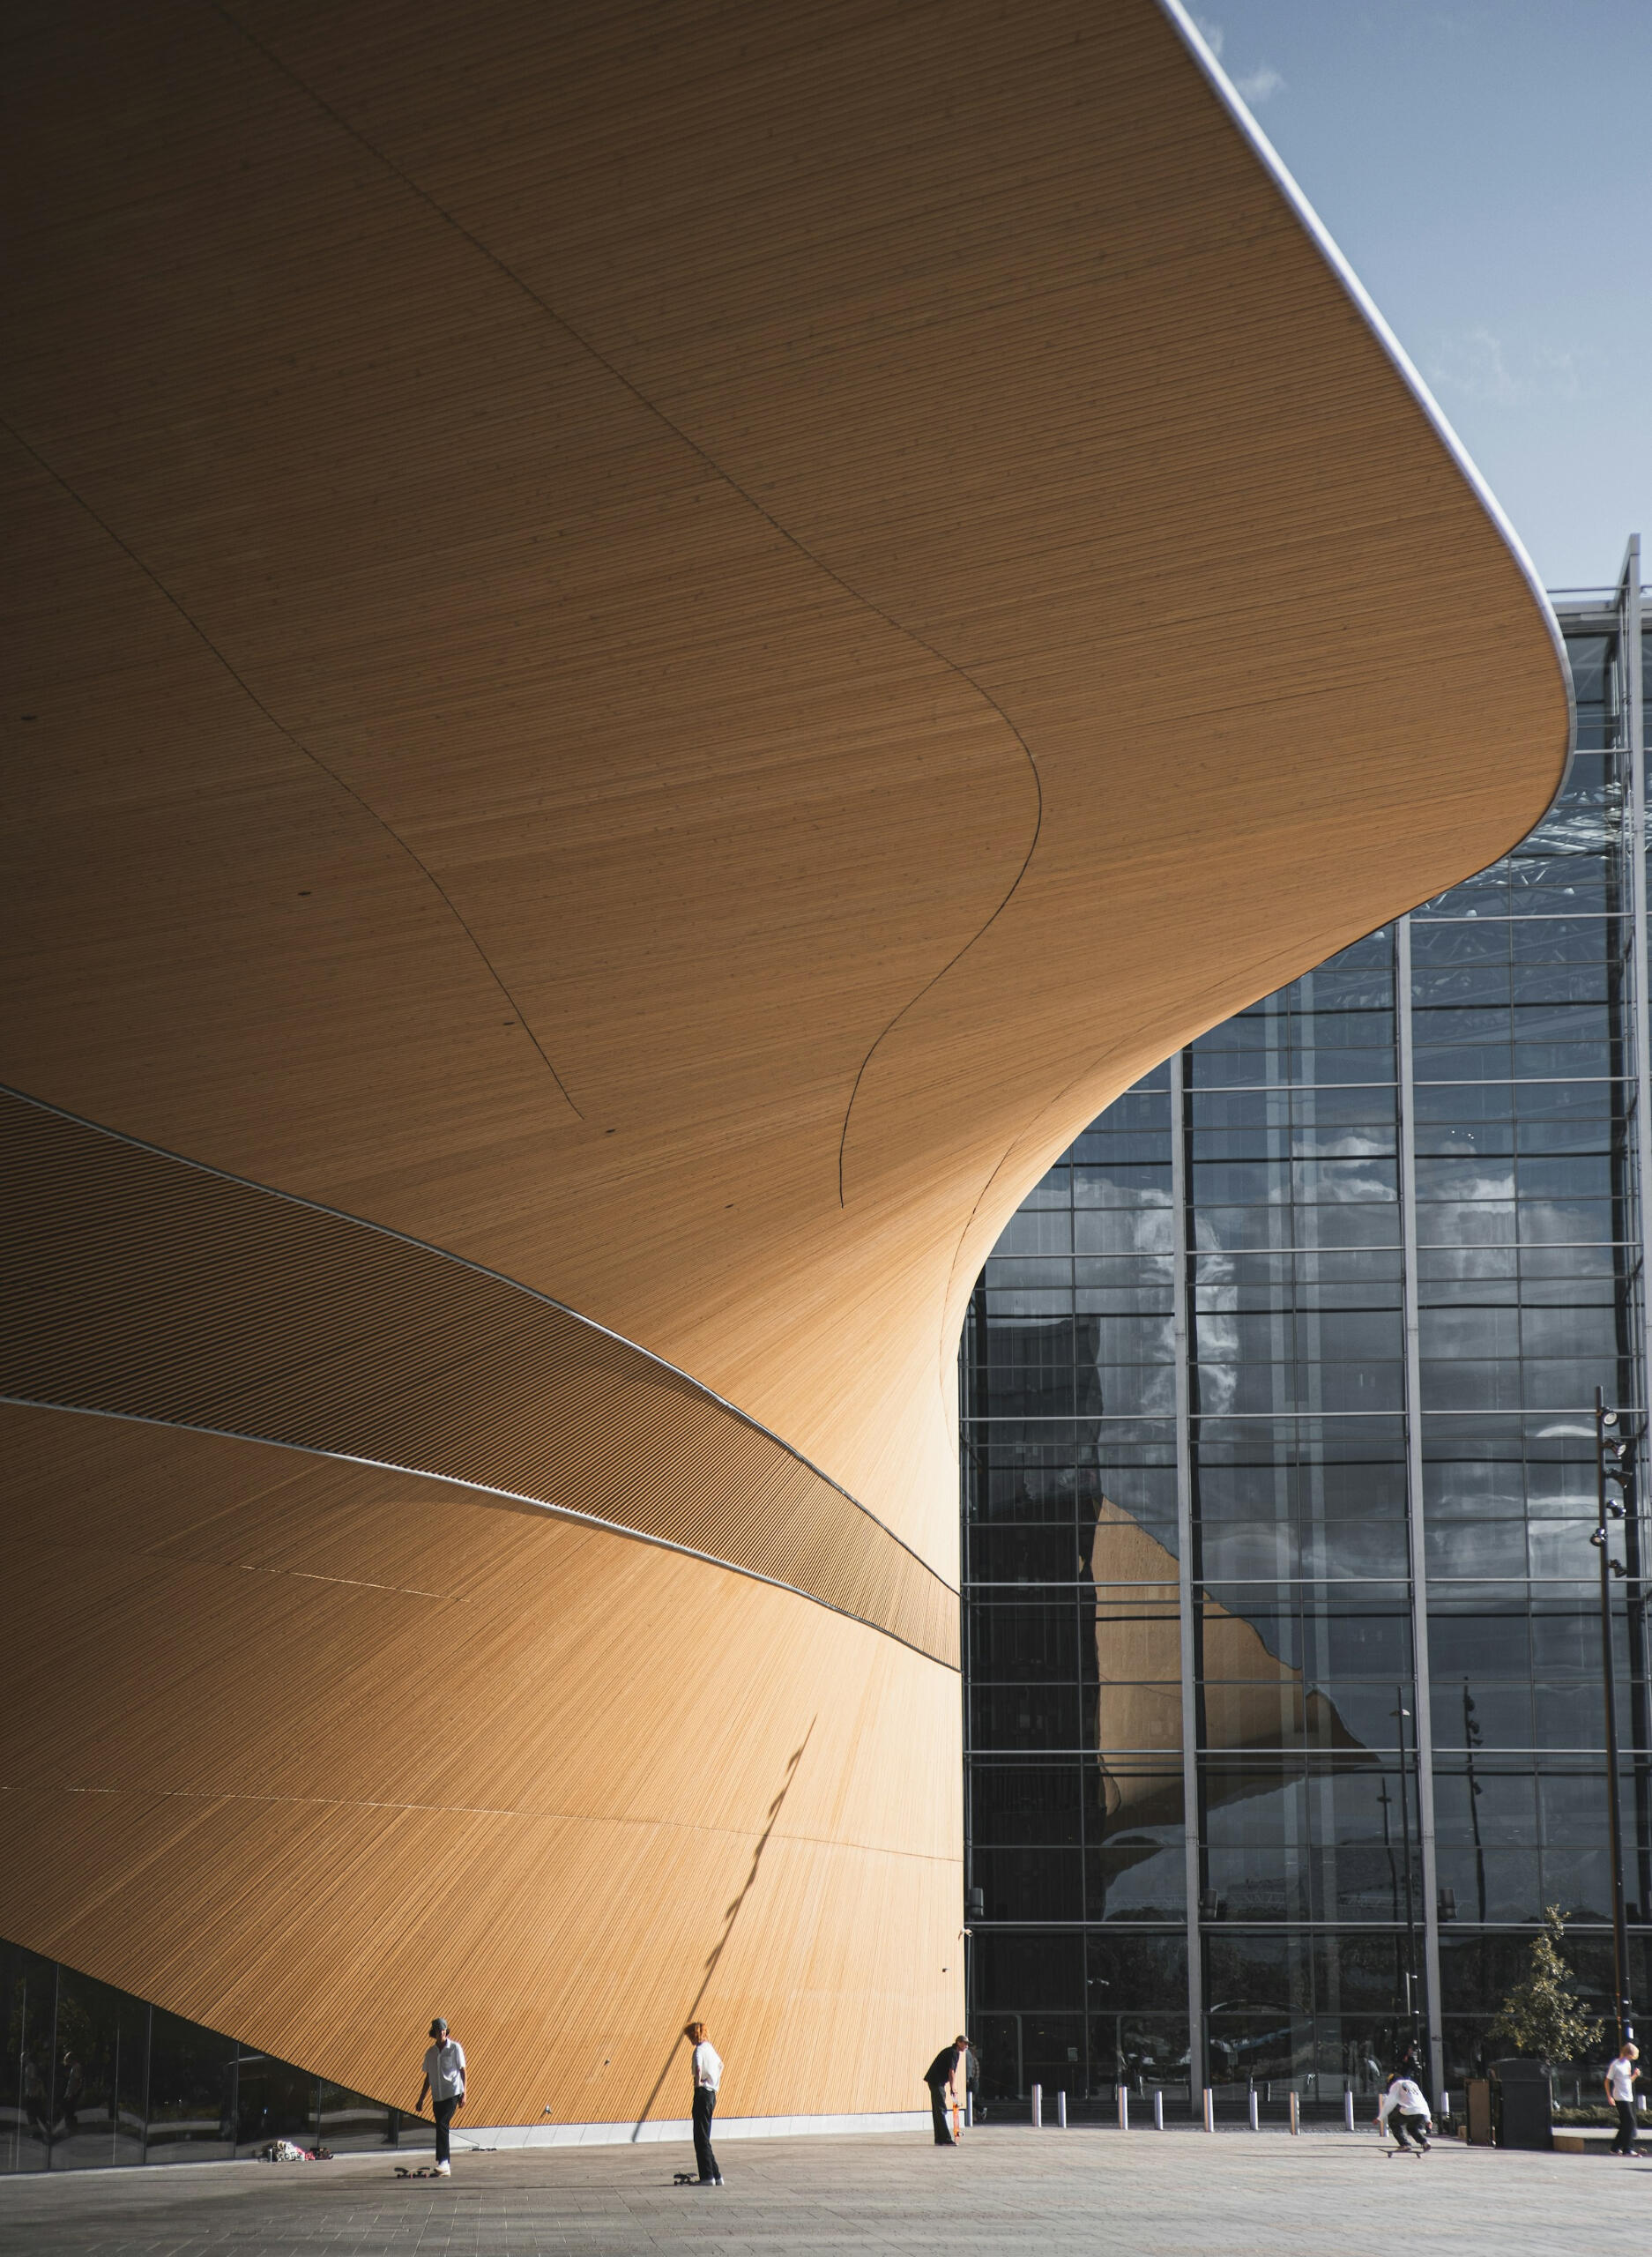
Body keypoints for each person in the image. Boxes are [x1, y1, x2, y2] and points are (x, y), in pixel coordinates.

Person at [415, 2017, 465, 2177]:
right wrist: (421, 2099)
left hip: (452, 2092)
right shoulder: (430, 2052)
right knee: (440, 2126)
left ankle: (444, 2162)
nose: (441, 2033)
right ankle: (444, 2165)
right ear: (434, 2033)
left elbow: (463, 2070)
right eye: (438, 2031)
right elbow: (428, 2077)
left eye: (443, 2030)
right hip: (437, 2095)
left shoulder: (455, 2048)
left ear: (446, 2031)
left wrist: (464, 2093)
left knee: (443, 2124)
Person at [686, 2021, 724, 2185]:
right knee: (705, 2137)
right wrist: (714, 2081)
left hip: (702, 2094)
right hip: (712, 2094)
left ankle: (707, 2176)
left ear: (694, 2035)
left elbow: (698, 2069)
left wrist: (698, 2084)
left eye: (690, 2036)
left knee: (700, 2137)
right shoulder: (710, 2049)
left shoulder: (699, 2050)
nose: (689, 2039)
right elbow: (721, 2065)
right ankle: (716, 2175)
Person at [1377, 2071, 1433, 2155]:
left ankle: (1405, 2144)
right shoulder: (1413, 2084)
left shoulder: (1396, 2084)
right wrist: (1428, 2119)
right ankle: (1425, 2143)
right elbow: (1423, 2101)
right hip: (1421, 2111)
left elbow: (1389, 2103)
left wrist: (1380, 2118)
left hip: (1409, 2110)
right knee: (1412, 2128)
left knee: (1393, 2122)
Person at [924, 2037, 967, 2146]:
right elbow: (951, 2071)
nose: (966, 2046)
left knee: (937, 2110)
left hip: (936, 2081)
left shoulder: (953, 2052)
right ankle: (946, 2139)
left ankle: (939, 2139)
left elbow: (951, 2071)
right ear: (958, 2043)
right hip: (936, 2081)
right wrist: (953, 2087)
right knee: (941, 2109)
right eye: (965, 2043)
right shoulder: (953, 2053)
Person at [1605, 2040, 1641, 2156]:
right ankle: (1628, 2148)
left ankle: (1615, 2148)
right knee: (1630, 2122)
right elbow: (1607, 2081)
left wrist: (1635, 2075)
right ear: (1628, 2053)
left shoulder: (1627, 2064)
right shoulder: (1615, 2065)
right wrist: (1609, 2096)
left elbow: (1628, 2081)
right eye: (1632, 2056)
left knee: (1625, 2123)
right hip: (1620, 2097)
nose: (1632, 2059)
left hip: (1628, 2096)